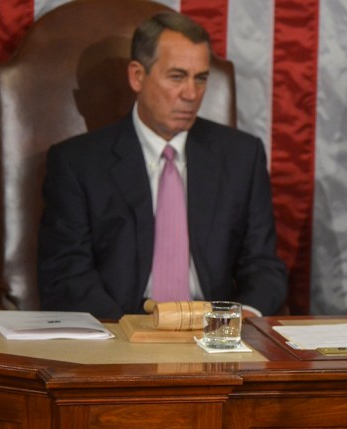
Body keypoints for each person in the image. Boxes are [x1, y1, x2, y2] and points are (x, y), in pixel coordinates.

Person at [38, 11, 287, 319]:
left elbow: (263, 266)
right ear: (137, 76)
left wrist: (243, 316)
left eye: (200, 79)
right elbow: (66, 276)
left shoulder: (241, 157)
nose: (191, 94)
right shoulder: (78, 164)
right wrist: (126, 335)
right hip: (119, 336)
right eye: (177, 76)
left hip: (214, 339)